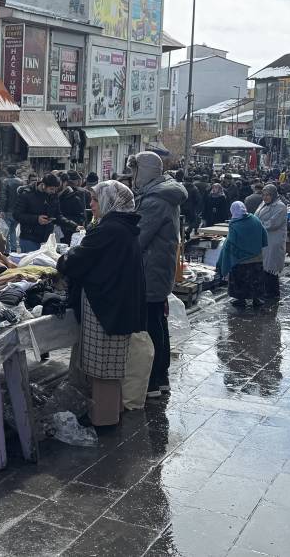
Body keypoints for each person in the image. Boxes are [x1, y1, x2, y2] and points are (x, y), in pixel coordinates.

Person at [55, 181, 146, 426]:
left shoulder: (109, 229)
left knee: (103, 367)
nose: (91, 205)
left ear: (110, 202)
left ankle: (103, 420)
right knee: (111, 365)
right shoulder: (123, 226)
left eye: (95, 200)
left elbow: (78, 260)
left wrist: (63, 260)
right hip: (117, 303)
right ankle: (113, 412)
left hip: (106, 307)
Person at [128, 152, 187, 398]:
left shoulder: (155, 199)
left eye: (134, 171)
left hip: (150, 269)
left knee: (151, 324)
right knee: (157, 320)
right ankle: (160, 377)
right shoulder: (162, 194)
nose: (132, 176)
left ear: (144, 171)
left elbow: (139, 237)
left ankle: (152, 379)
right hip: (159, 267)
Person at [217, 201, 267, 308]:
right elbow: (264, 234)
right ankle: (257, 299)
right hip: (256, 257)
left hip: (240, 259)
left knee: (240, 279)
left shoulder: (234, 224)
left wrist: (226, 255)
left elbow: (231, 242)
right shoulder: (255, 219)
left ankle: (241, 299)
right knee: (256, 279)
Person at [13, 173, 64, 252]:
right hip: (29, 238)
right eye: (51, 189)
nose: (53, 192)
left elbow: (58, 215)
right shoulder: (27, 194)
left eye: (55, 189)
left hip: (47, 239)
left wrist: (74, 226)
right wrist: (36, 219)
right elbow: (16, 215)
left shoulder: (53, 195)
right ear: (43, 185)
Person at [256, 184, 287, 301]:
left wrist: (257, 225)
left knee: (271, 266)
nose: (265, 197)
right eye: (263, 195)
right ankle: (267, 291)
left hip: (274, 240)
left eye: (268, 195)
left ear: (273, 195)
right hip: (264, 239)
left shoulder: (280, 206)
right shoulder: (263, 204)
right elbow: (256, 216)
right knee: (265, 266)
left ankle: (273, 293)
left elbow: (273, 223)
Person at [0, 165, 23, 250]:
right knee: (12, 230)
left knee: (6, 231)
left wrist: (1, 210)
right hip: (17, 211)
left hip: (7, 210)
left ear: (7, 172)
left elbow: (3, 197)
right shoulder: (21, 182)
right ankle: (14, 249)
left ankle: (6, 250)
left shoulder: (5, 181)